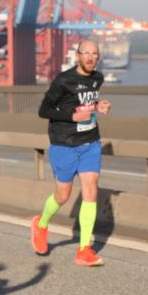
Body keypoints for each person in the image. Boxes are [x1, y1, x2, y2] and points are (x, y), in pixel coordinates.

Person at [31, 39, 110, 267]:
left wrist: (98, 106)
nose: (89, 57)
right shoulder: (63, 81)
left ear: (98, 57)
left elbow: (86, 103)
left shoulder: (98, 78)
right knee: (62, 196)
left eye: (94, 54)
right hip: (64, 143)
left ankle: (84, 249)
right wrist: (71, 118)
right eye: (85, 53)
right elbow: (43, 110)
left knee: (91, 190)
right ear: (77, 56)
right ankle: (42, 224)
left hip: (90, 143)